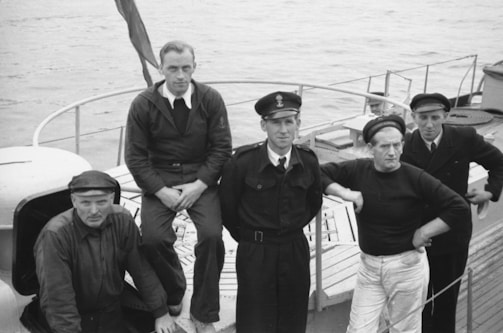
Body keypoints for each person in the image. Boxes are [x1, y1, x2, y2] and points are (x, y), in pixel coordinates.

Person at [320, 115, 470, 333]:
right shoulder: (357, 170)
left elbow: (458, 208)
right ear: (371, 148)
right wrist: (346, 193)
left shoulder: (415, 177)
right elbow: (317, 172)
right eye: (384, 146)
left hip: (406, 267)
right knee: (358, 330)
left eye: (397, 145)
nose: (392, 151)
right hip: (369, 268)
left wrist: (424, 231)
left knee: (404, 330)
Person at [125, 40, 232, 333]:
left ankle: (203, 311)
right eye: (173, 68)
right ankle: (174, 290)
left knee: (211, 237)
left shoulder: (210, 99)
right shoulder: (143, 104)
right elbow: (134, 156)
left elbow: (222, 149)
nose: (180, 75)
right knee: (153, 240)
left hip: (202, 179)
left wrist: (199, 185)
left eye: (186, 68)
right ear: (161, 69)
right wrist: (161, 191)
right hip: (160, 180)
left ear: (194, 67)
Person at [219, 91, 323, 333]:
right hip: (256, 252)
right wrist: (252, 238)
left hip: (294, 248)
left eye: (289, 121)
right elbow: (228, 209)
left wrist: (288, 230)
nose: (283, 129)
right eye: (275, 122)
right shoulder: (242, 162)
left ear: (298, 124)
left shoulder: (308, 161)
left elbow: (313, 201)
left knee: (293, 319)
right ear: (263, 125)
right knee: (254, 321)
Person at [401, 93, 503, 333]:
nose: (428, 124)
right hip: (416, 236)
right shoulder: (404, 145)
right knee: (418, 302)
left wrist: (489, 192)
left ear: (445, 116)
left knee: (447, 300)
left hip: (453, 234)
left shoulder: (464, 138)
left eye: (435, 117)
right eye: (422, 117)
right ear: (413, 117)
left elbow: (499, 163)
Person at [34, 170, 176, 333]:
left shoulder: (123, 219)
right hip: (74, 318)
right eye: (85, 203)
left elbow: (141, 268)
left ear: (112, 199)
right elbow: (58, 298)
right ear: (74, 201)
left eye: (101, 202)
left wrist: (161, 312)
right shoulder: (55, 236)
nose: (94, 211)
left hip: (110, 312)